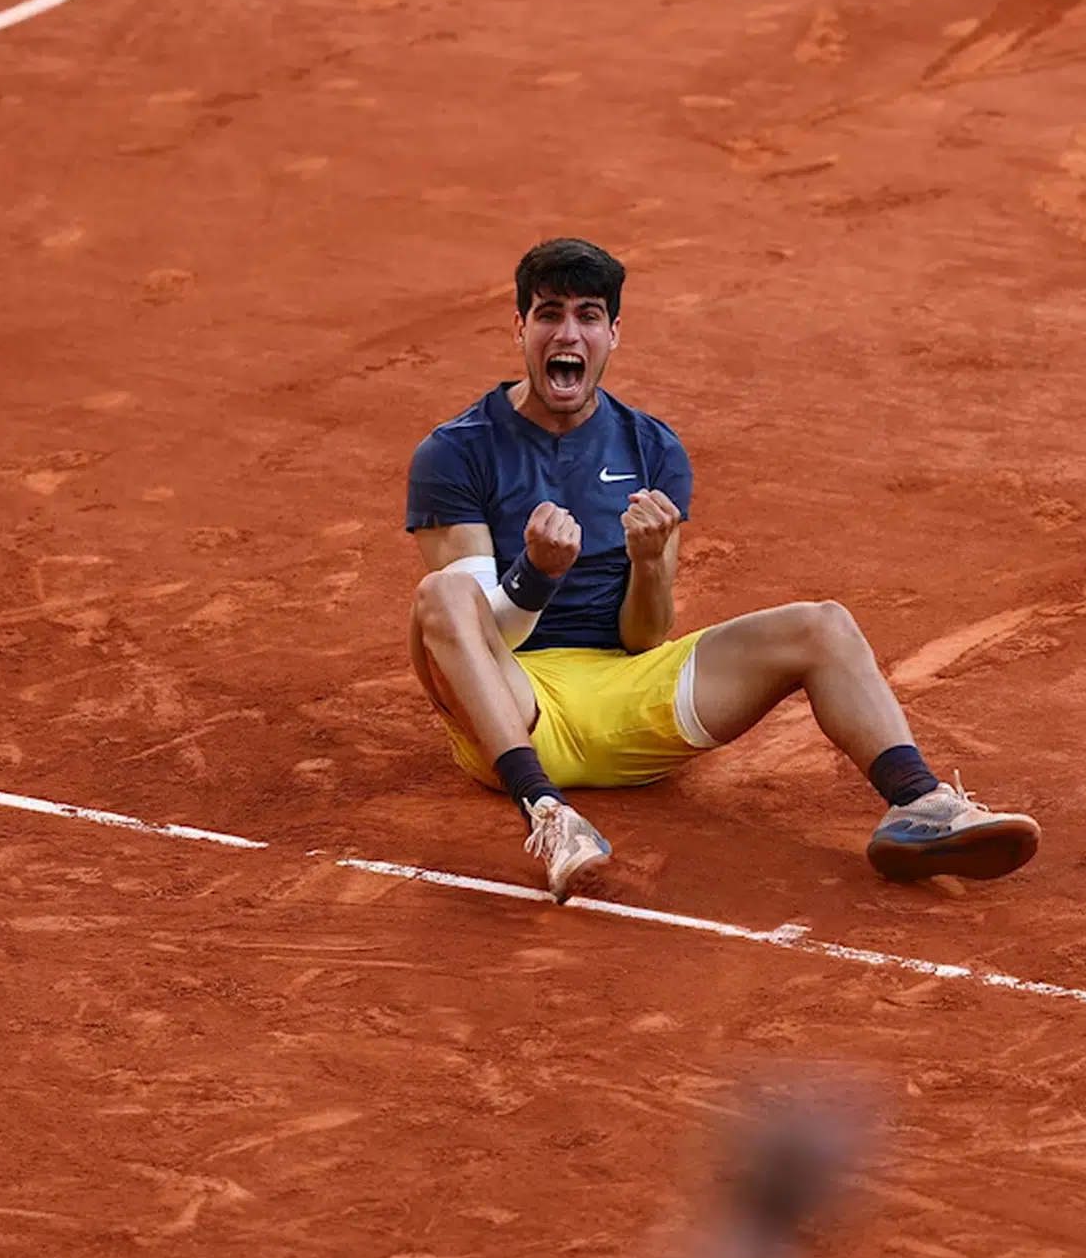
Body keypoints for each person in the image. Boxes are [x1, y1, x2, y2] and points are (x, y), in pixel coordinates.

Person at [405, 238, 1040, 902]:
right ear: (520, 327)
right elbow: (479, 635)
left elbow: (644, 640)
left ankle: (920, 805)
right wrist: (535, 575)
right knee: (442, 594)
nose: (569, 332)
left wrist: (649, 562)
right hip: (512, 709)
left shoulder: (652, 447)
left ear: (613, 334)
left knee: (822, 625)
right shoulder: (456, 453)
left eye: (589, 316)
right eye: (549, 314)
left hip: (624, 701)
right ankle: (549, 815)